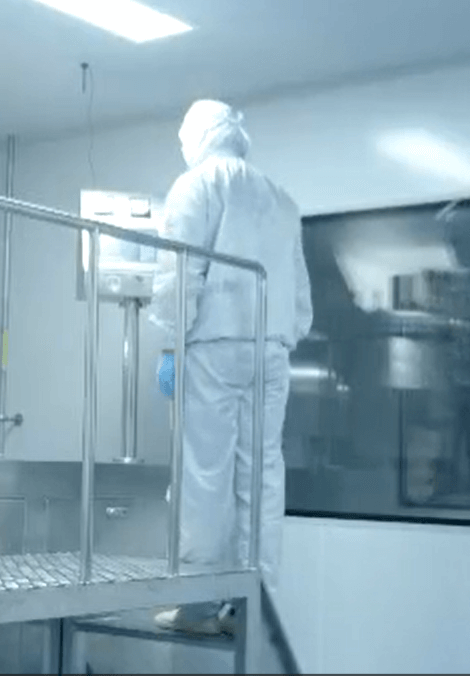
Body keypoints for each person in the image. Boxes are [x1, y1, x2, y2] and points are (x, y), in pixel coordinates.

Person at [148, 99, 313, 636]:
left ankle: (197, 606)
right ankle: (250, 608)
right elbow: (301, 296)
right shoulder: (282, 199)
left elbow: (178, 274)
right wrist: (280, 337)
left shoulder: (195, 186)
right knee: (261, 474)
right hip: (272, 350)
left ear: (198, 136)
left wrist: (171, 345)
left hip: (214, 346)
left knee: (204, 474)